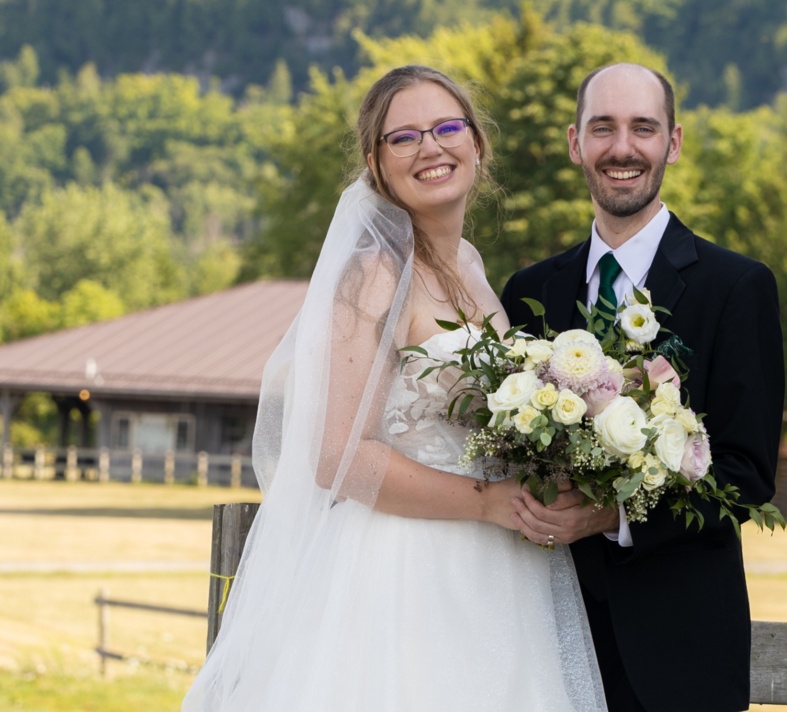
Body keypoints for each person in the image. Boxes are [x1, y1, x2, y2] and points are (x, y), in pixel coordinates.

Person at [183, 65, 606, 711]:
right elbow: (339, 456)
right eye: (403, 137)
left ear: (477, 143)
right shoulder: (373, 275)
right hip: (402, 570)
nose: (430, 147)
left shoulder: (471, 265)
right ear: (376, 165)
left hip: (499, 573)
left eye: (446, 127)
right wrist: (487, 502)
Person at [501, 63, 785, 712]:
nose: (622, 148)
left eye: (643, 128)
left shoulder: (736, 288)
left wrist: (614, 515)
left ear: (673, 143)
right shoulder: (529, 292)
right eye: (603, 128)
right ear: (576, 143)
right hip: (544, 641)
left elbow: (747, 474)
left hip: (680, 655)